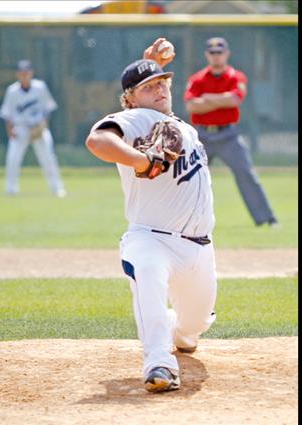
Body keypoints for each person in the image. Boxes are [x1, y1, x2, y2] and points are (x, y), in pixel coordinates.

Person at [85, 38, 218, 393]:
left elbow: (154, 96)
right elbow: (98, 142)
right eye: (148, 87)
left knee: (194, 329)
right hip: (151, 238)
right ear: (129, 98)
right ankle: (158, 361)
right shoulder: (136, 118)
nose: (159, 89)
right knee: (147, 273)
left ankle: (180, 331)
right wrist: (141, 160)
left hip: (200, 249)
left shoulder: (178, 126)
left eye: (162, 83)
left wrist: (149, 67)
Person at [184, 37, 278, 227]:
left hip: (228, 135)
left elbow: (234, 100)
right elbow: (192, 106)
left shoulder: (236, 76)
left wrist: (207, 99)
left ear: (226, 54)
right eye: (212, 52)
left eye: (219, 52)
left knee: (246, 174)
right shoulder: (197, 79)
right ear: (207, 55)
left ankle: (266, 219)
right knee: (189, 179)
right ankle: (182, 221)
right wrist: (221, 99)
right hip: (202, 136)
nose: (216, 56)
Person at [0, 60, 67, 197]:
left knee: (48, 157)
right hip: (20, 128)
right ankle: (11, 189)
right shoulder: (12, 91)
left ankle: (56, 188)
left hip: (38, 127)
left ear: (31, 73)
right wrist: (10, 130)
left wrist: (43, 125)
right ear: (18, 74)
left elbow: (48, 108)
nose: (24, 75)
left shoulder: (40, 87)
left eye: (27, 72)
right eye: (22, 73)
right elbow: (7, 113)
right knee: (13, 158)